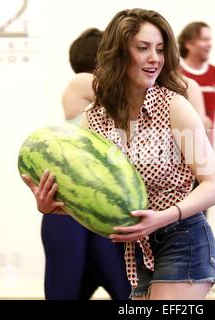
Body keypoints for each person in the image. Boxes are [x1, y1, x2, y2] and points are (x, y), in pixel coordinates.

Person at [22, 8, 215, 300]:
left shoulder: (174, 108)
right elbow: (99, 196)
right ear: (118, 54)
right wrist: (55, 207)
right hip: (136, 250)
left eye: (159, 49)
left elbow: (214, 185)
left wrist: (163, 216)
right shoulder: (95, 119)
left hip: (183, 239)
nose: (154, 58)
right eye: (142, 48)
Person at [40, 27, 131, 300]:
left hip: (100, 212)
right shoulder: (83, 82)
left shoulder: (114, 100)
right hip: (69, 212)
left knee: (128, 294)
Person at [178, 22, 215, 172]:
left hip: (206, 152)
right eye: (204, 40)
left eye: (210, 39)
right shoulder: (174, 75)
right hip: (178, 154)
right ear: (188, 43)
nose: (209, 45)